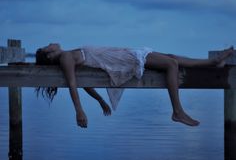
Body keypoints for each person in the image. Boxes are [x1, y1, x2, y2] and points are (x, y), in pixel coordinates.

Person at [35, 44, 234, 128]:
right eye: (48, 47)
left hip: (121, 55)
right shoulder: (66, 57)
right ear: (50, 55)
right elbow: (72, 83)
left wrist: (101, 100)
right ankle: (178, 112)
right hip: (122, 60)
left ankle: (211, 63)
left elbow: (81, 82)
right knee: (171, 64)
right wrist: (79, 111)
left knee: (171, 58)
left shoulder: (68, 55)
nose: (52, 43)